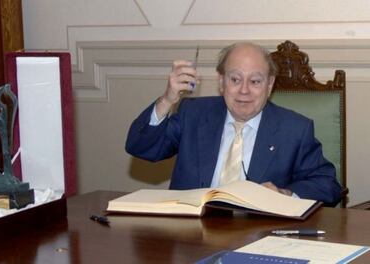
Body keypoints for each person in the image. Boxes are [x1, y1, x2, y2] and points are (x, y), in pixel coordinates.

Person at [125, 42, 342, 206]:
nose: (244, 91)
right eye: (235, 80)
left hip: (259, 239)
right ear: (221, 81)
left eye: (255, 81)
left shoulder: (294, 129)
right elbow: (141, 147)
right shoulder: (193, 114)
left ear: (270, 84)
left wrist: (284, 195)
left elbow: (327, 185)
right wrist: (168, 99)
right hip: (190, 237)